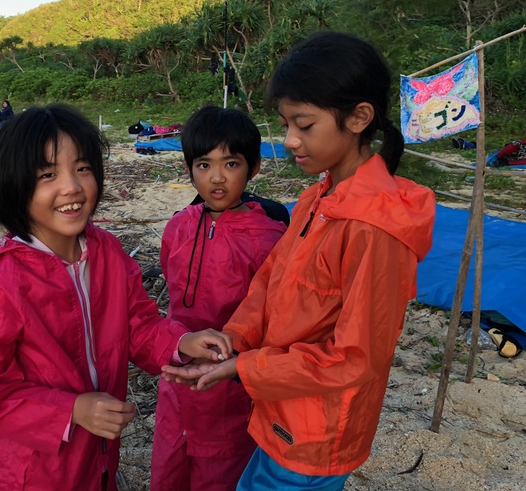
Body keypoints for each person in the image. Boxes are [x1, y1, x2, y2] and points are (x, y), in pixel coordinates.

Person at [162, 31, 436, 491]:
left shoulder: (374, 227)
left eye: (304, 125)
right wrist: (231, 341)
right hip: (280, 413)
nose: (290, 140)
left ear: (359, 118)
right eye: (286, 124)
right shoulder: (316, 200)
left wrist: (244, 369)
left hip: (317, 434)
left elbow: (354, 358)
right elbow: (269, 285)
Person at [0, 103, 233, 491]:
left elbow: (138, 325)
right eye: (48, 174)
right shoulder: (0, 287)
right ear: (12, 185)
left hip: (96, 456)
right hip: (31, 470)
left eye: (83, 169)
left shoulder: (107, 253)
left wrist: (181, 342)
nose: (72, 187)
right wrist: (72, 409)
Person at [151, 105, 287, 491]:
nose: (216, 178)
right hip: (176, 378)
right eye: (204, 164)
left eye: (231, 164)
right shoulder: (178, 227)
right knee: (168, 469)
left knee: (221, 473)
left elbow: (272, 317)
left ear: (254, 168)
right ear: (189, 169)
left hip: (230, 387)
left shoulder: (268, 238)